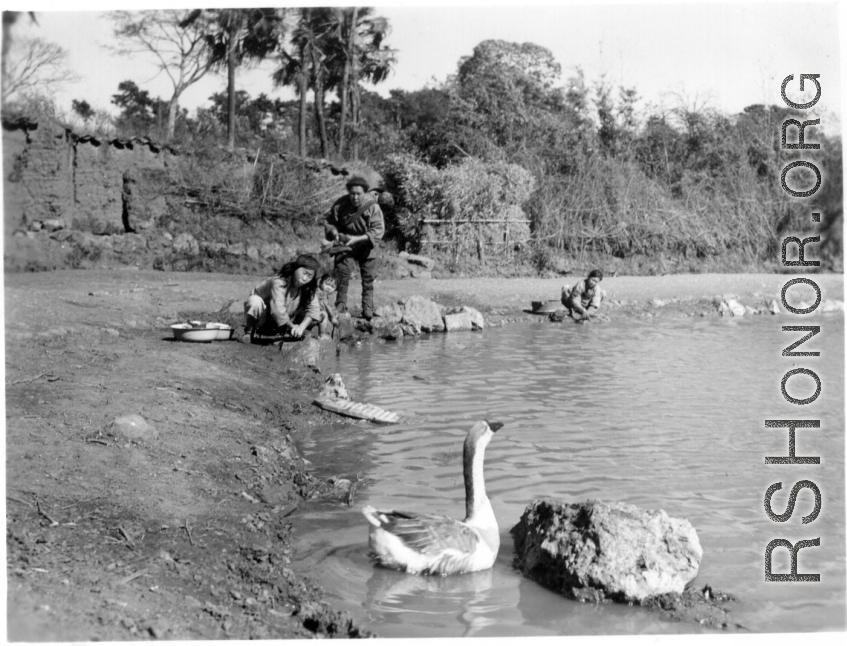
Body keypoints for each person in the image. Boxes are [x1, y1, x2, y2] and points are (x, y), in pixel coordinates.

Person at [324, 175, 385, 320]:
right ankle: (340, 305)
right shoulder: (340, 204)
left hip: (366, 244)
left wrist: (357, 239)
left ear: (364, 192)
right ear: (348, 193)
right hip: (345, 243)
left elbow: (378, 230)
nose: (355, 197)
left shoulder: (373, 207)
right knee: (342, 274)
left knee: (368, 278)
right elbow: (330, 222)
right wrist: (334, 233)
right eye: (352, 193)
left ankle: (367, 309)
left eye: (358, 194)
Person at [242, 254, 321, 343]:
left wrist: (301, 327)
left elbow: (314, 309)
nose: (305, 278)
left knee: (319, 314)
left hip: (287, 318)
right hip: (264, 317)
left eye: (310, 276)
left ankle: (295, 333)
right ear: (295, 268)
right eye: (304, 273)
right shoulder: (278, 281)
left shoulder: (308, 286)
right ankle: (248, 332)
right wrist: (293, 326)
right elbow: (278, 310)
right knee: (254, 301)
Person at [316, 274, 339, 339]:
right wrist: (332, 317)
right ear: (320, 282)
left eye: (332, 287)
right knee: (324, 314)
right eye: (327, 284)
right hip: (314, 314)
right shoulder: (320, 293)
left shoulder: (323, 293)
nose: (329, 288)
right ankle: (322, 334)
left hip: (315, 313)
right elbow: (326, 305)